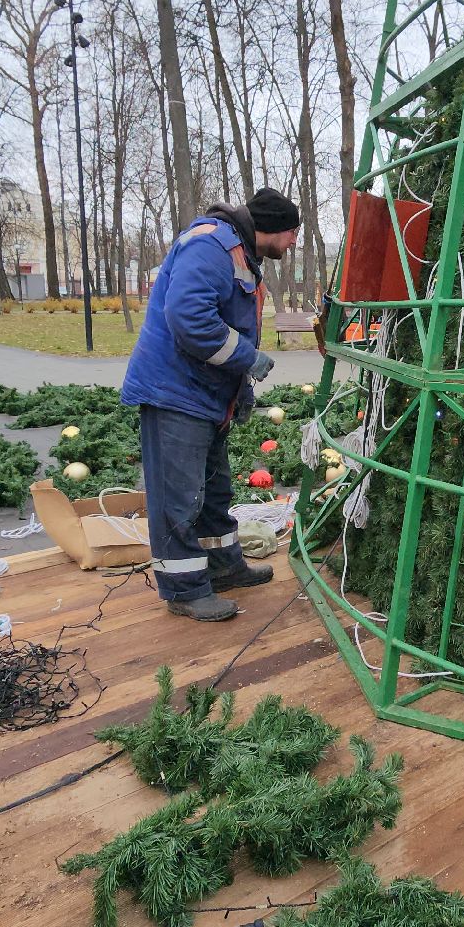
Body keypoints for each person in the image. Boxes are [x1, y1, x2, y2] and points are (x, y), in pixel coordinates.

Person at [122, 187, 300, 621]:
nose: (294, 243)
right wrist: (249, 359)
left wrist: (241, 392)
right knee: (179, 499)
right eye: (293, 233)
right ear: (272, 229)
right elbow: (191, 322)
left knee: (215, 491)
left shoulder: (240, 254)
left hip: (206, 398)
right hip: (176, 396)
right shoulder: (210, 245)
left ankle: (222, 567)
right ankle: (183, 589)